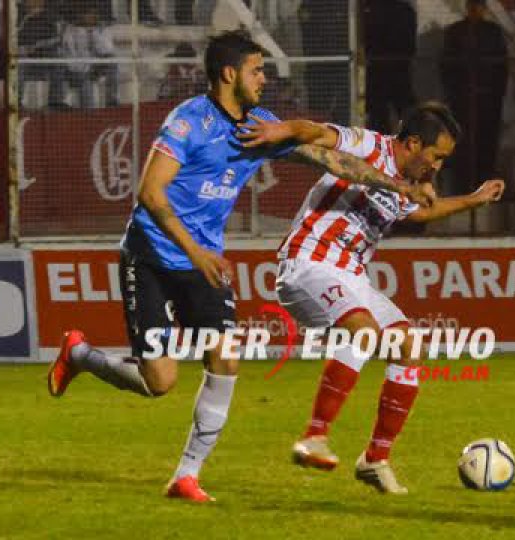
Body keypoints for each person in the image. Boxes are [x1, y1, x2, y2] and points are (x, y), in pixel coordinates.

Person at [45, 30, 433, 503]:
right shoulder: (187, 122)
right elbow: (150, 193)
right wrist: (195, 252)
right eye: (257, 70)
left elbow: (334, 161)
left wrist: (396, 185)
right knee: (160, 382)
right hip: (151, 255)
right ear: (230, 74)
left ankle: (186, 476)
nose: (264, 79)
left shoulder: (261, 126)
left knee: (226, 357)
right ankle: (80, 355)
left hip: (204, 263)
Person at [242, 102, 504, 494]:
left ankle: (375, 459)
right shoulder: (367, 146)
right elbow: (317, 133)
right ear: (413, 143)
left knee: (408, 345)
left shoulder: (407, 182)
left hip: (351, 276)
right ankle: (314, 436)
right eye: (436, 156)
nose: (438, 167)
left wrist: (473, 198)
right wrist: (282, 130)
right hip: (309, 261)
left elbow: (416, 214)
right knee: (362, 330)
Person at [440, 0, 508, 196]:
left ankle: (482, 185)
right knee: (464, 142)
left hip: (485, 98)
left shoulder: (491, 32)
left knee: (485, 142)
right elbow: (447, 65)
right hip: (465, 98)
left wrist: (496, 93)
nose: (476, 11)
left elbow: (501, 67)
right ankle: (464, 187)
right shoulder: (457, 32)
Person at [362, 0, 416, 133]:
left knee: (383, 112)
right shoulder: (405, 10)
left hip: (385, 68)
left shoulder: (371, 9)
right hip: (391, 68)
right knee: (386, 112)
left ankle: (385, 146)